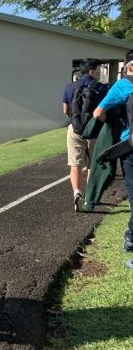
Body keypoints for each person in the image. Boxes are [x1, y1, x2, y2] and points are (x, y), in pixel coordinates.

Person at [92, 51, 133, 253]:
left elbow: (98, 112)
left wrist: (113, 123)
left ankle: (131, 238)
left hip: (129, 145)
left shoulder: (123, 85)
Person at [61, 59, 107, 212]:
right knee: (92, 165)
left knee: (75, 164)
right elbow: (103, 111)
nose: (100, 72)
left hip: (74, 129)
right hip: (94, 130)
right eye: (98, 70)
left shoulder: (70, 86)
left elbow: (65, 110)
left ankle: (77, 193)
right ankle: (89, 197)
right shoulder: (100, 88)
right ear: (92, 71)